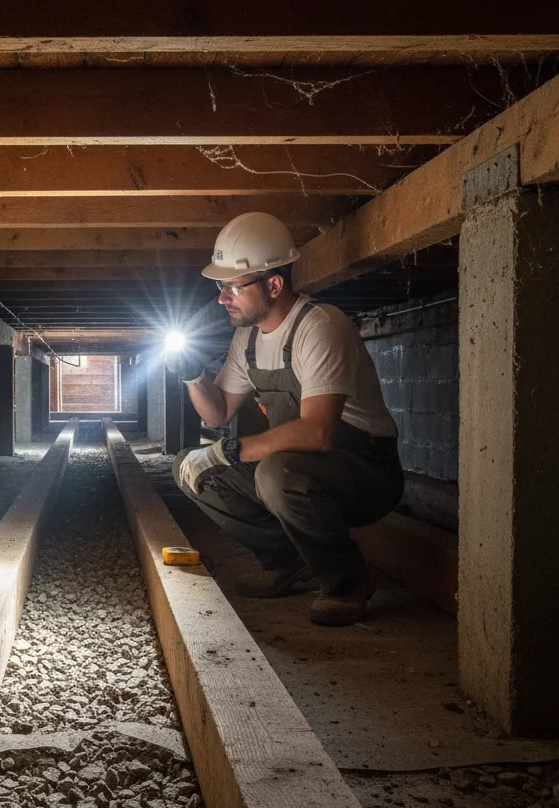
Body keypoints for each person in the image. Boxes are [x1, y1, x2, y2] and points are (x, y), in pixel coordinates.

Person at [169, 212, 403, 626]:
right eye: (220, 287)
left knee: (275, 474)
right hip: (300, 462)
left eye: (232, 288)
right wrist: (193, 376)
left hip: (365, 469)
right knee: (193, 469)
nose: (222, 298)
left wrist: (229, 451)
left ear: (273, 284)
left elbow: (318, 431)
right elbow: (219, 411)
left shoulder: (321, 327)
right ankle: (286, 560)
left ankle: (347, 583)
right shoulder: (249, 338)